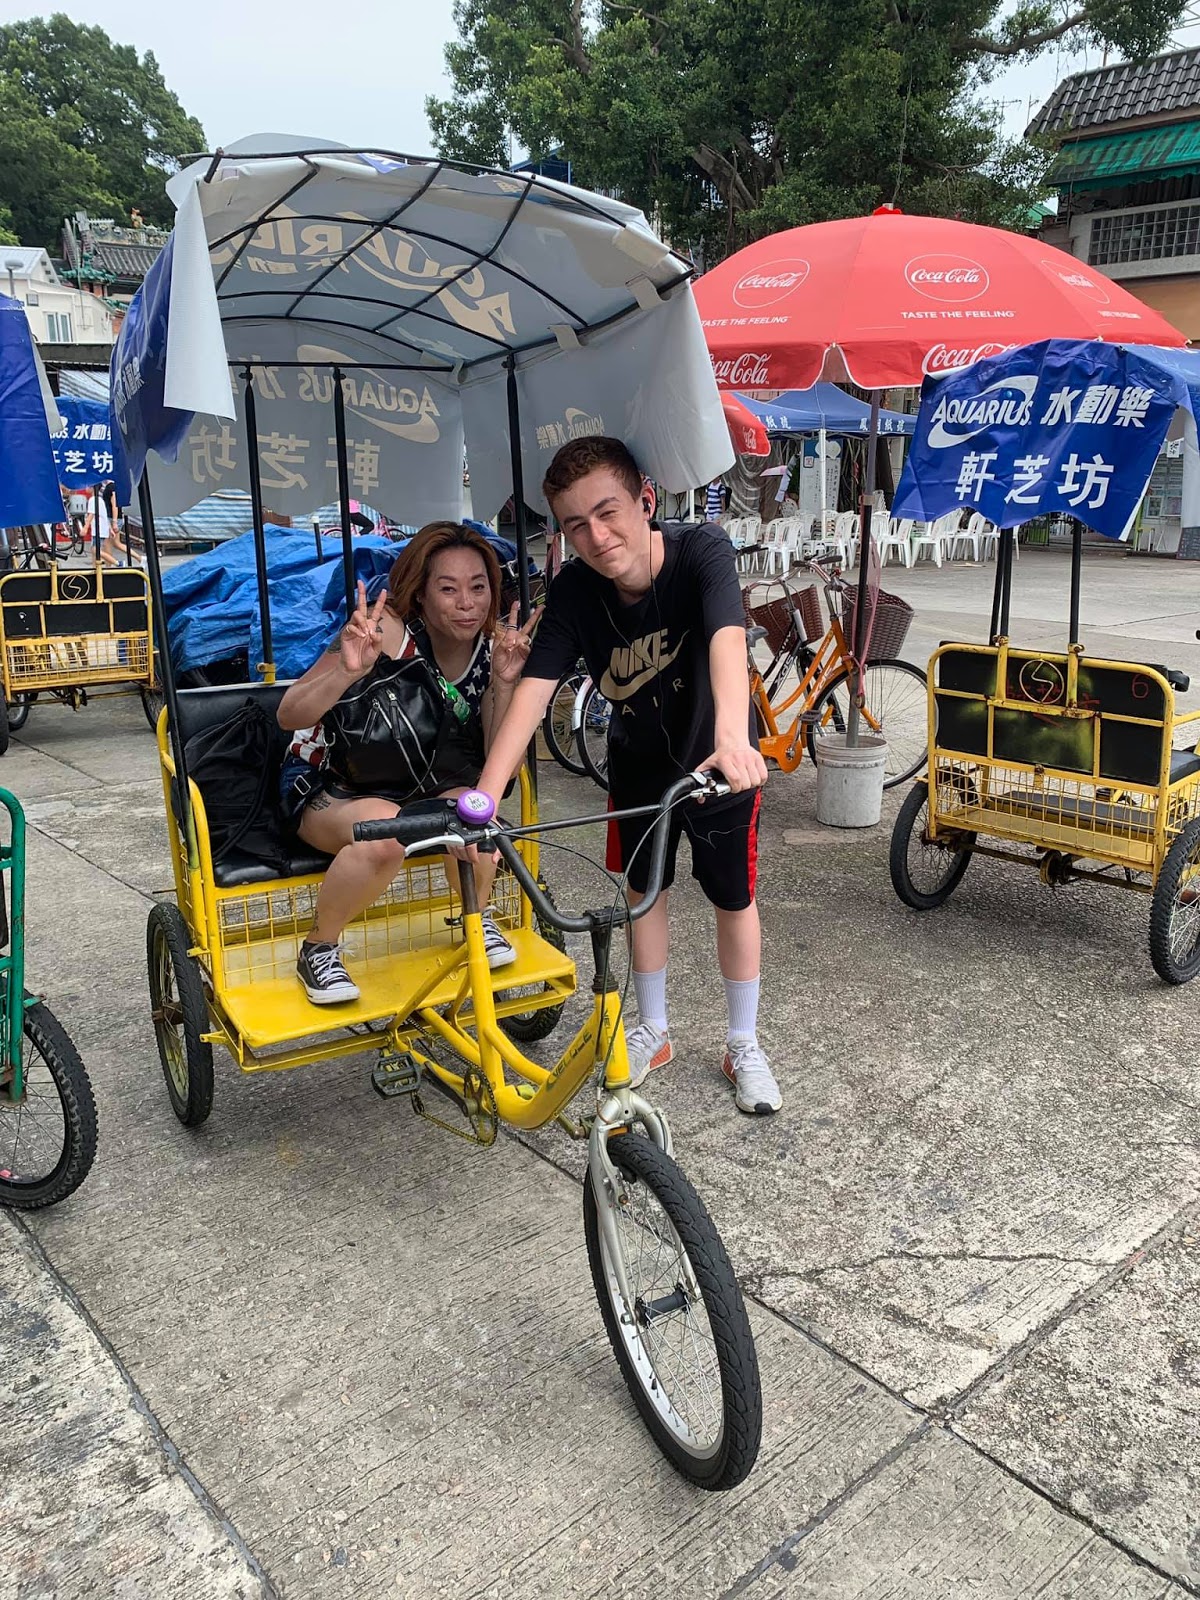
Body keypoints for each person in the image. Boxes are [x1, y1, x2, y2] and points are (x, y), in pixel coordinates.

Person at [473, 437, 781, 1116]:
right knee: (643, 894)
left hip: (717, 765)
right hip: (638, 769)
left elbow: (728, 639)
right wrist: (485, 797)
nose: (596, 536)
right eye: (575, 524)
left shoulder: (701, 552)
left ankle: (743, 1042)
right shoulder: (575, 591)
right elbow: (533, 692)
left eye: (607, 512)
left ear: (646, 499)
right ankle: (653, 1030)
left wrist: (733, 738)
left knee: (734, 898)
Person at [277, 521, 536, 1005]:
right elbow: (289, 713)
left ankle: (475, 920)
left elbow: (502, 771)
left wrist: (505, 684)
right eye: (449, 589)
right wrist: (347, 672)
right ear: (420, 594)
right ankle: (318, 948)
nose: (467, 603)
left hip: (423, 783)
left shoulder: (493, 649)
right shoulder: (386, 632)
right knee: (385, 834)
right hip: (333, 783)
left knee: (480, 820)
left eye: (479, 588)